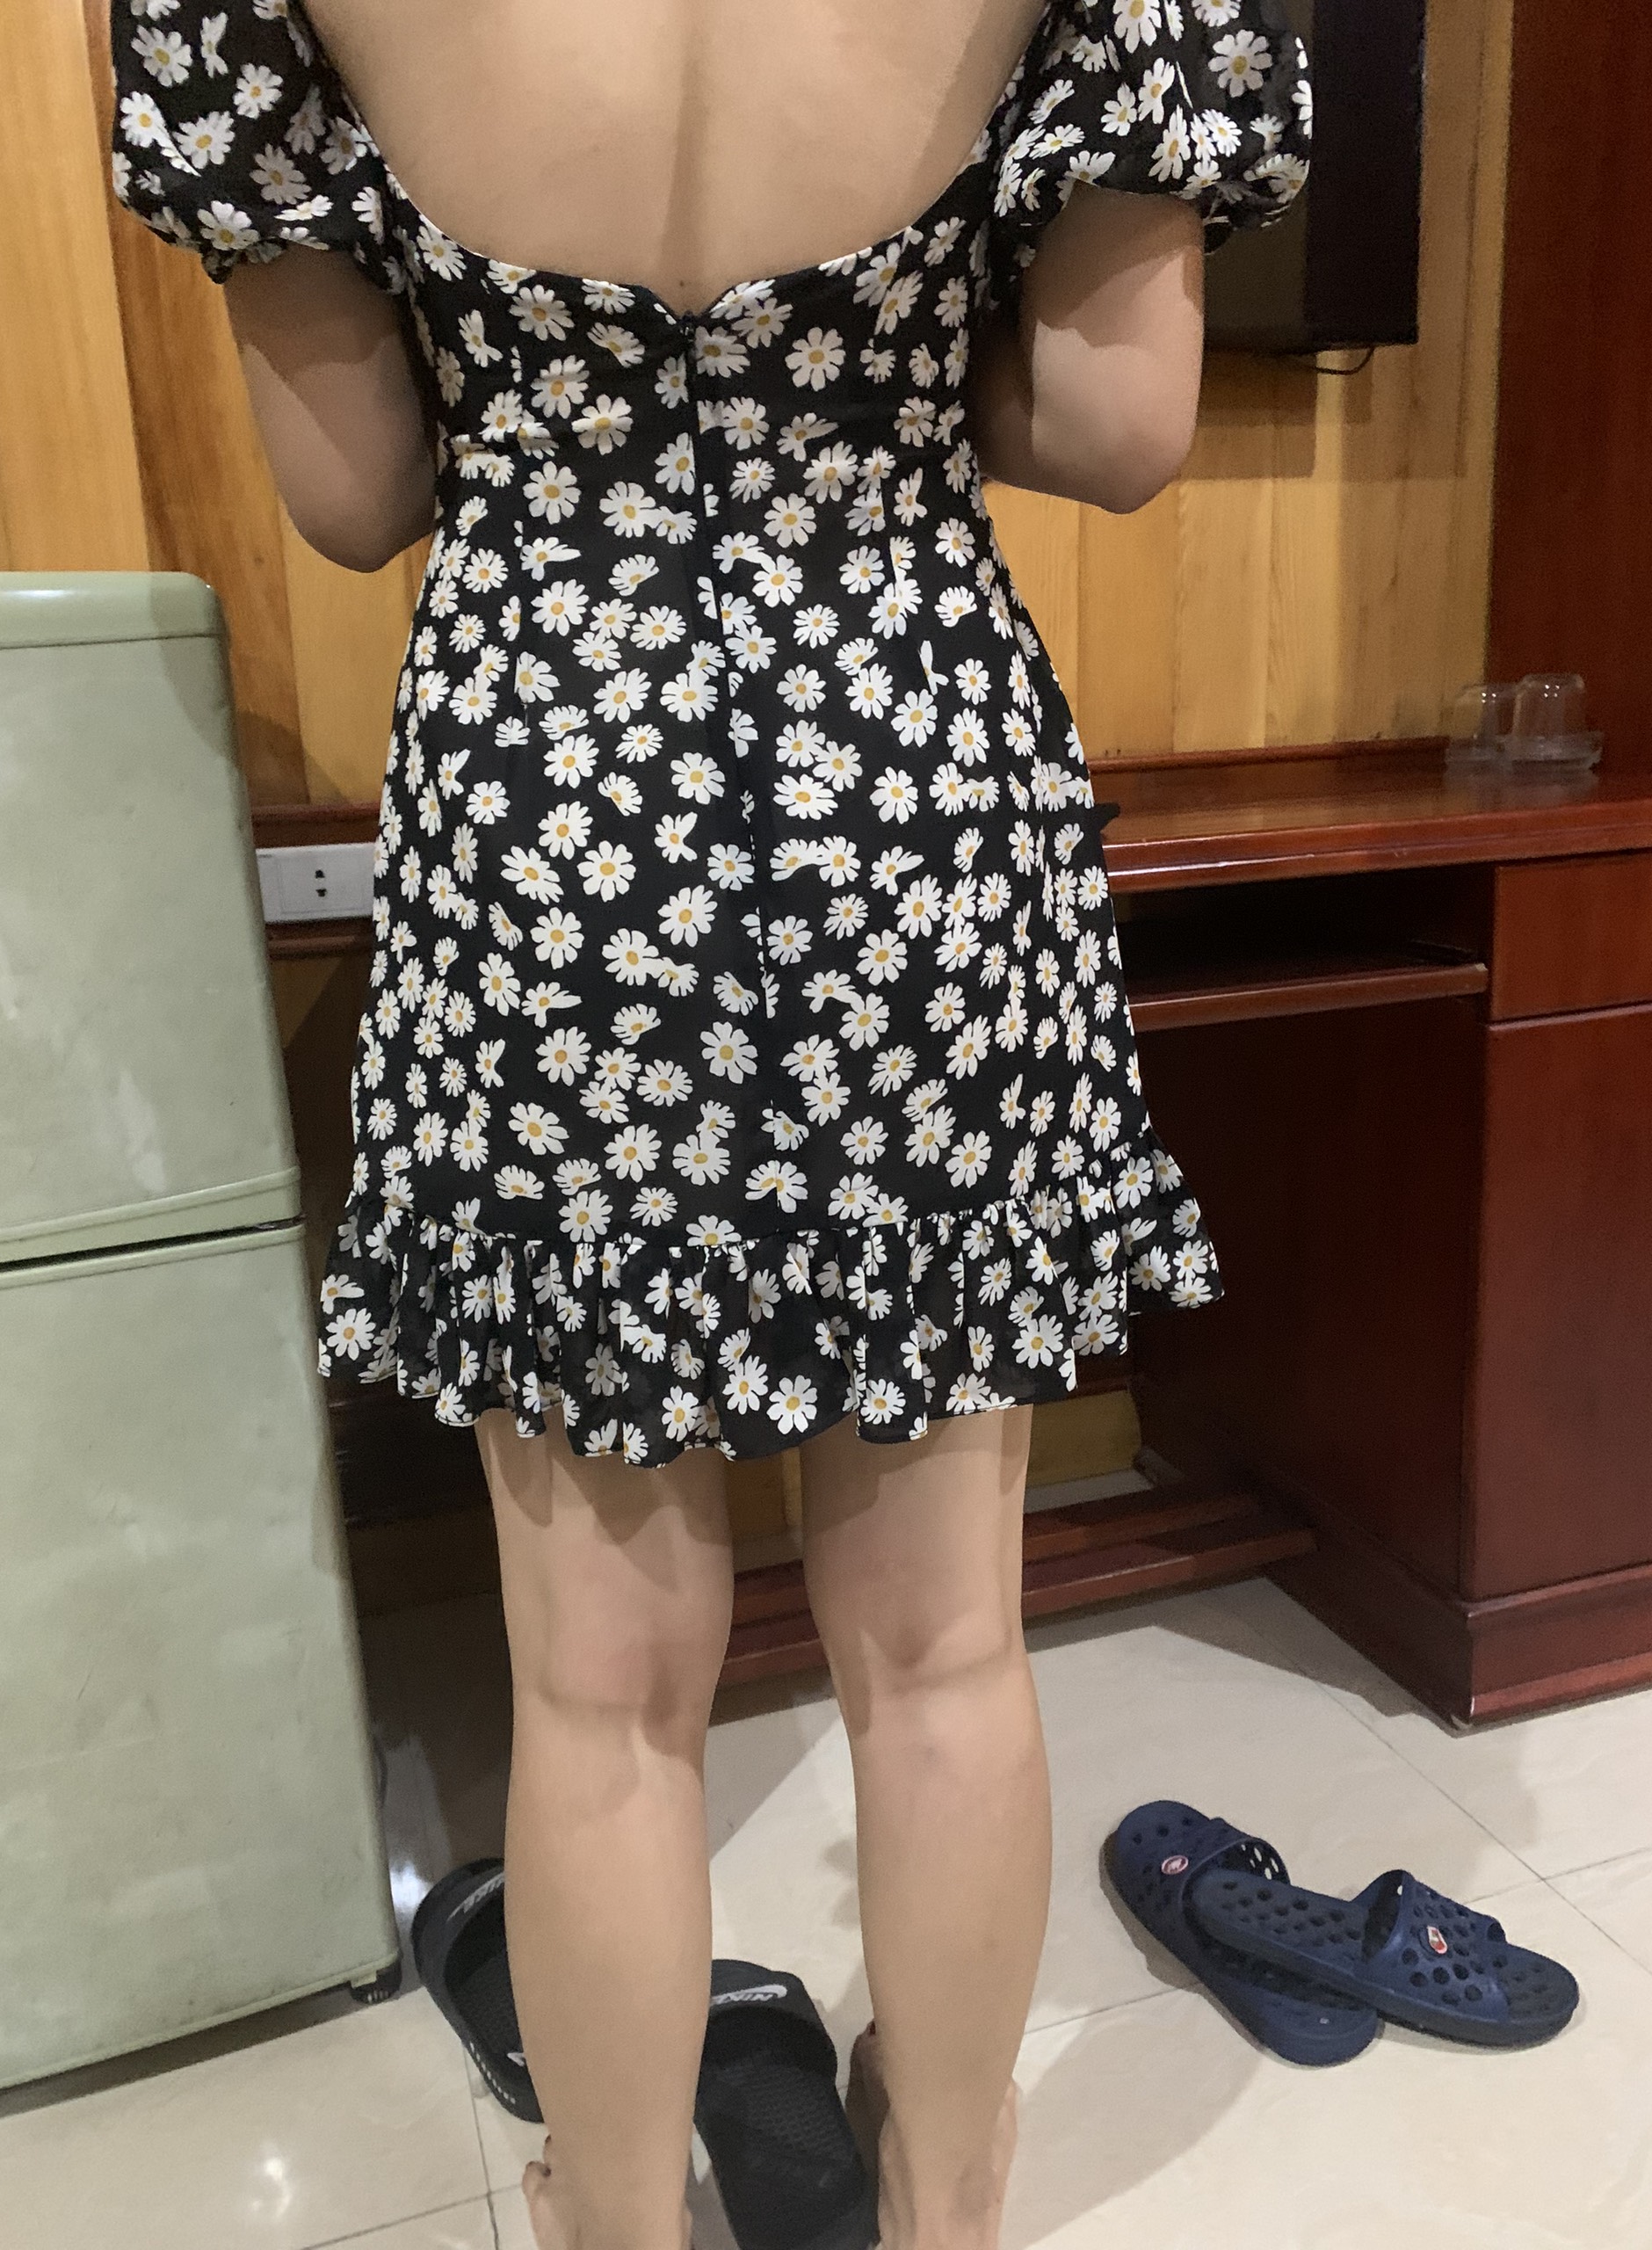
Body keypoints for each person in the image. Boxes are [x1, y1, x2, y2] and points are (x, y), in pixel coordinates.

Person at [110, 4, 1308, 2243]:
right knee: (942, 1649)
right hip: (907, 772)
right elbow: (1124, 423)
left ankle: (616, 2217)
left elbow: (354, 496)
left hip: (554, 792)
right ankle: (946, 2197)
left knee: (597, 1691)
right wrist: (856, 377)